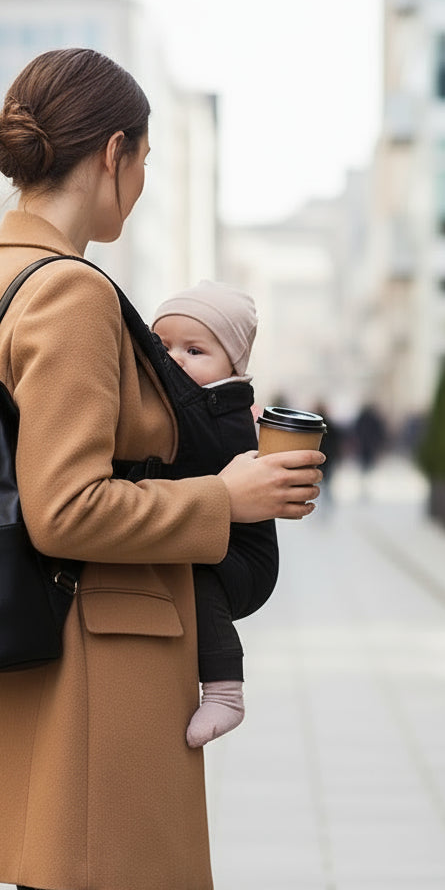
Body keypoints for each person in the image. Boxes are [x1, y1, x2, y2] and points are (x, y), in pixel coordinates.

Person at [0, 48, 324, 890]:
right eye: (144, 162)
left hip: (16, 666)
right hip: (91, 686)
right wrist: (224, 500)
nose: (141, 185)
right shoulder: (70, 290)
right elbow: (65, 507)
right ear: (114, 153)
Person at [151, 281, 278, 748]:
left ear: (232, 367)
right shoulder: (186, 401)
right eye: (162, 346)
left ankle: (225, 691)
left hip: (240, 559)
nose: (175, 359)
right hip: (208, 534)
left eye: (195, 350)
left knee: (197, 579)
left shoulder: (224, 413)